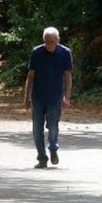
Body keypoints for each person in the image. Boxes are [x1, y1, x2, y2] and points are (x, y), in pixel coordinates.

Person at [23, 26, 73, 168]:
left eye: (52, 41)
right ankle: (41, 158)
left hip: (55, 96)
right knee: (37, 129)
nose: (49, 44)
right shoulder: (37, 52)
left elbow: (68, 76)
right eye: (46, 41)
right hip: (38, 96)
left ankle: (53, 149)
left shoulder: (65, 53)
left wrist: (67, 97)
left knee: (52, 126)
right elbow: (30, 75)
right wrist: (26, 98)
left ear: (58, 40)